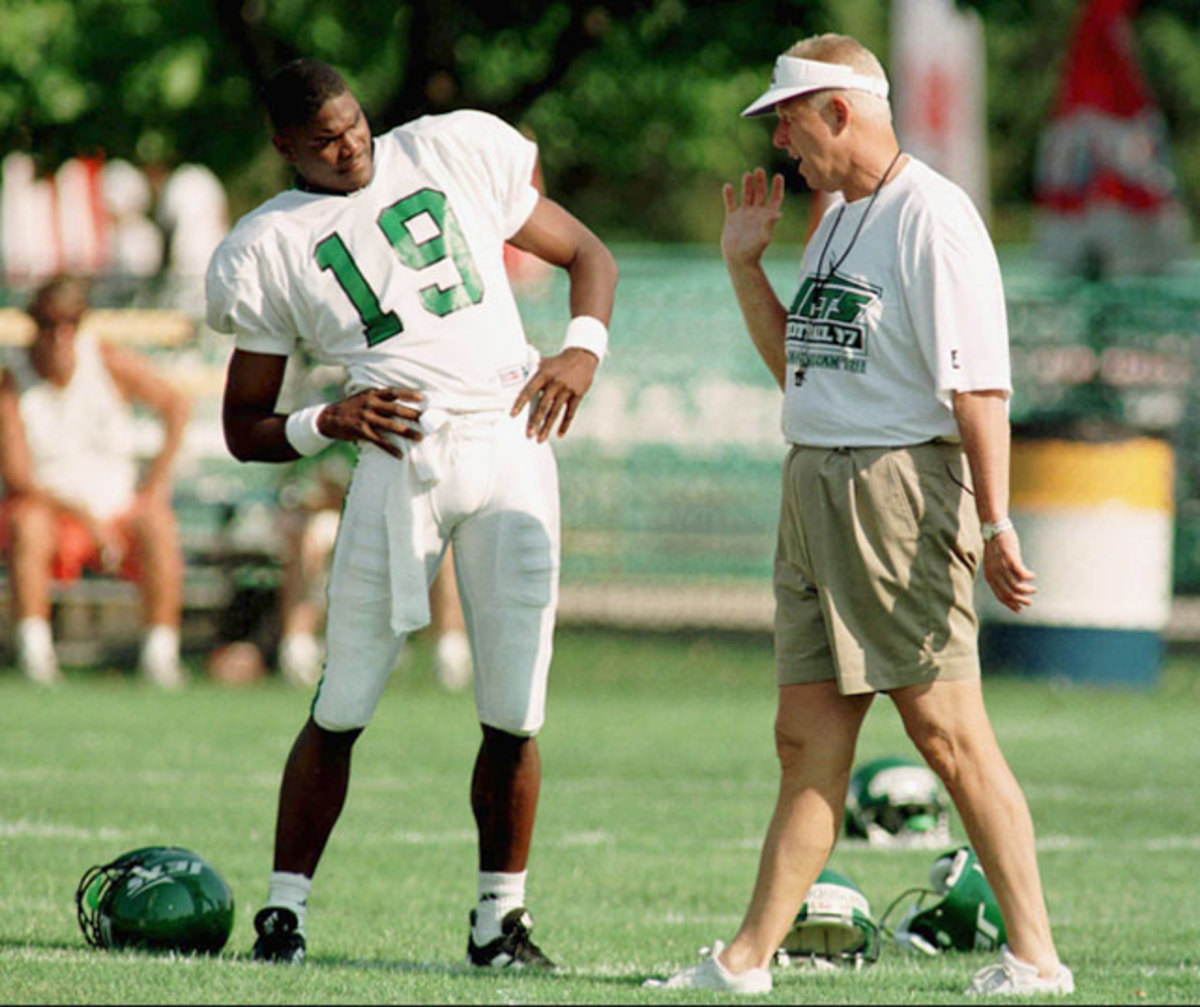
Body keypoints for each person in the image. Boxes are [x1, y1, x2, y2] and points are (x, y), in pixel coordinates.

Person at [646, 34, 1073, 997]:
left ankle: (1038, 959)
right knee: (804, 744)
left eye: (789, 122)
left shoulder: (935, 218)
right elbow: (802, 370)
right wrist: (744, 267)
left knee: (950, 736)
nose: (781, 146)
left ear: (839, 110)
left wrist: (998, 522)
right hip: (815, 486)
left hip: (896, 492)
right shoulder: (838, 217)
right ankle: (744, 962)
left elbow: (980, 390)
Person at [205, 58, 617, 967]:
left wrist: (581, 349)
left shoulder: (447, 148)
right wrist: (328, 420)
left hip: (513, 437)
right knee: (345, 696)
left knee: (515, 708)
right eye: (324, 140)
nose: (349, 145)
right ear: (285, 149)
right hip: (398, 460)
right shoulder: (267, 242)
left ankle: (498, 920)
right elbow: (244, 426)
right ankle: (284, 913)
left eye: (352, 123)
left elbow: (591, 255)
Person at [0, 275, 189, 687]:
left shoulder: (109, 363)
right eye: (49, 323)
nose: (59, 335)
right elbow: (17, 476)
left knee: (157, 522)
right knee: (24, 524)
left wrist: (155, 483)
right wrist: (85, 519)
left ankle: (161, 652)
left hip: (118, 507)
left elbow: (175, 405)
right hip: (54, 512)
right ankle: (35, 650)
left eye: (70, 322)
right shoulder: (12, 382)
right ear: (35, 324)